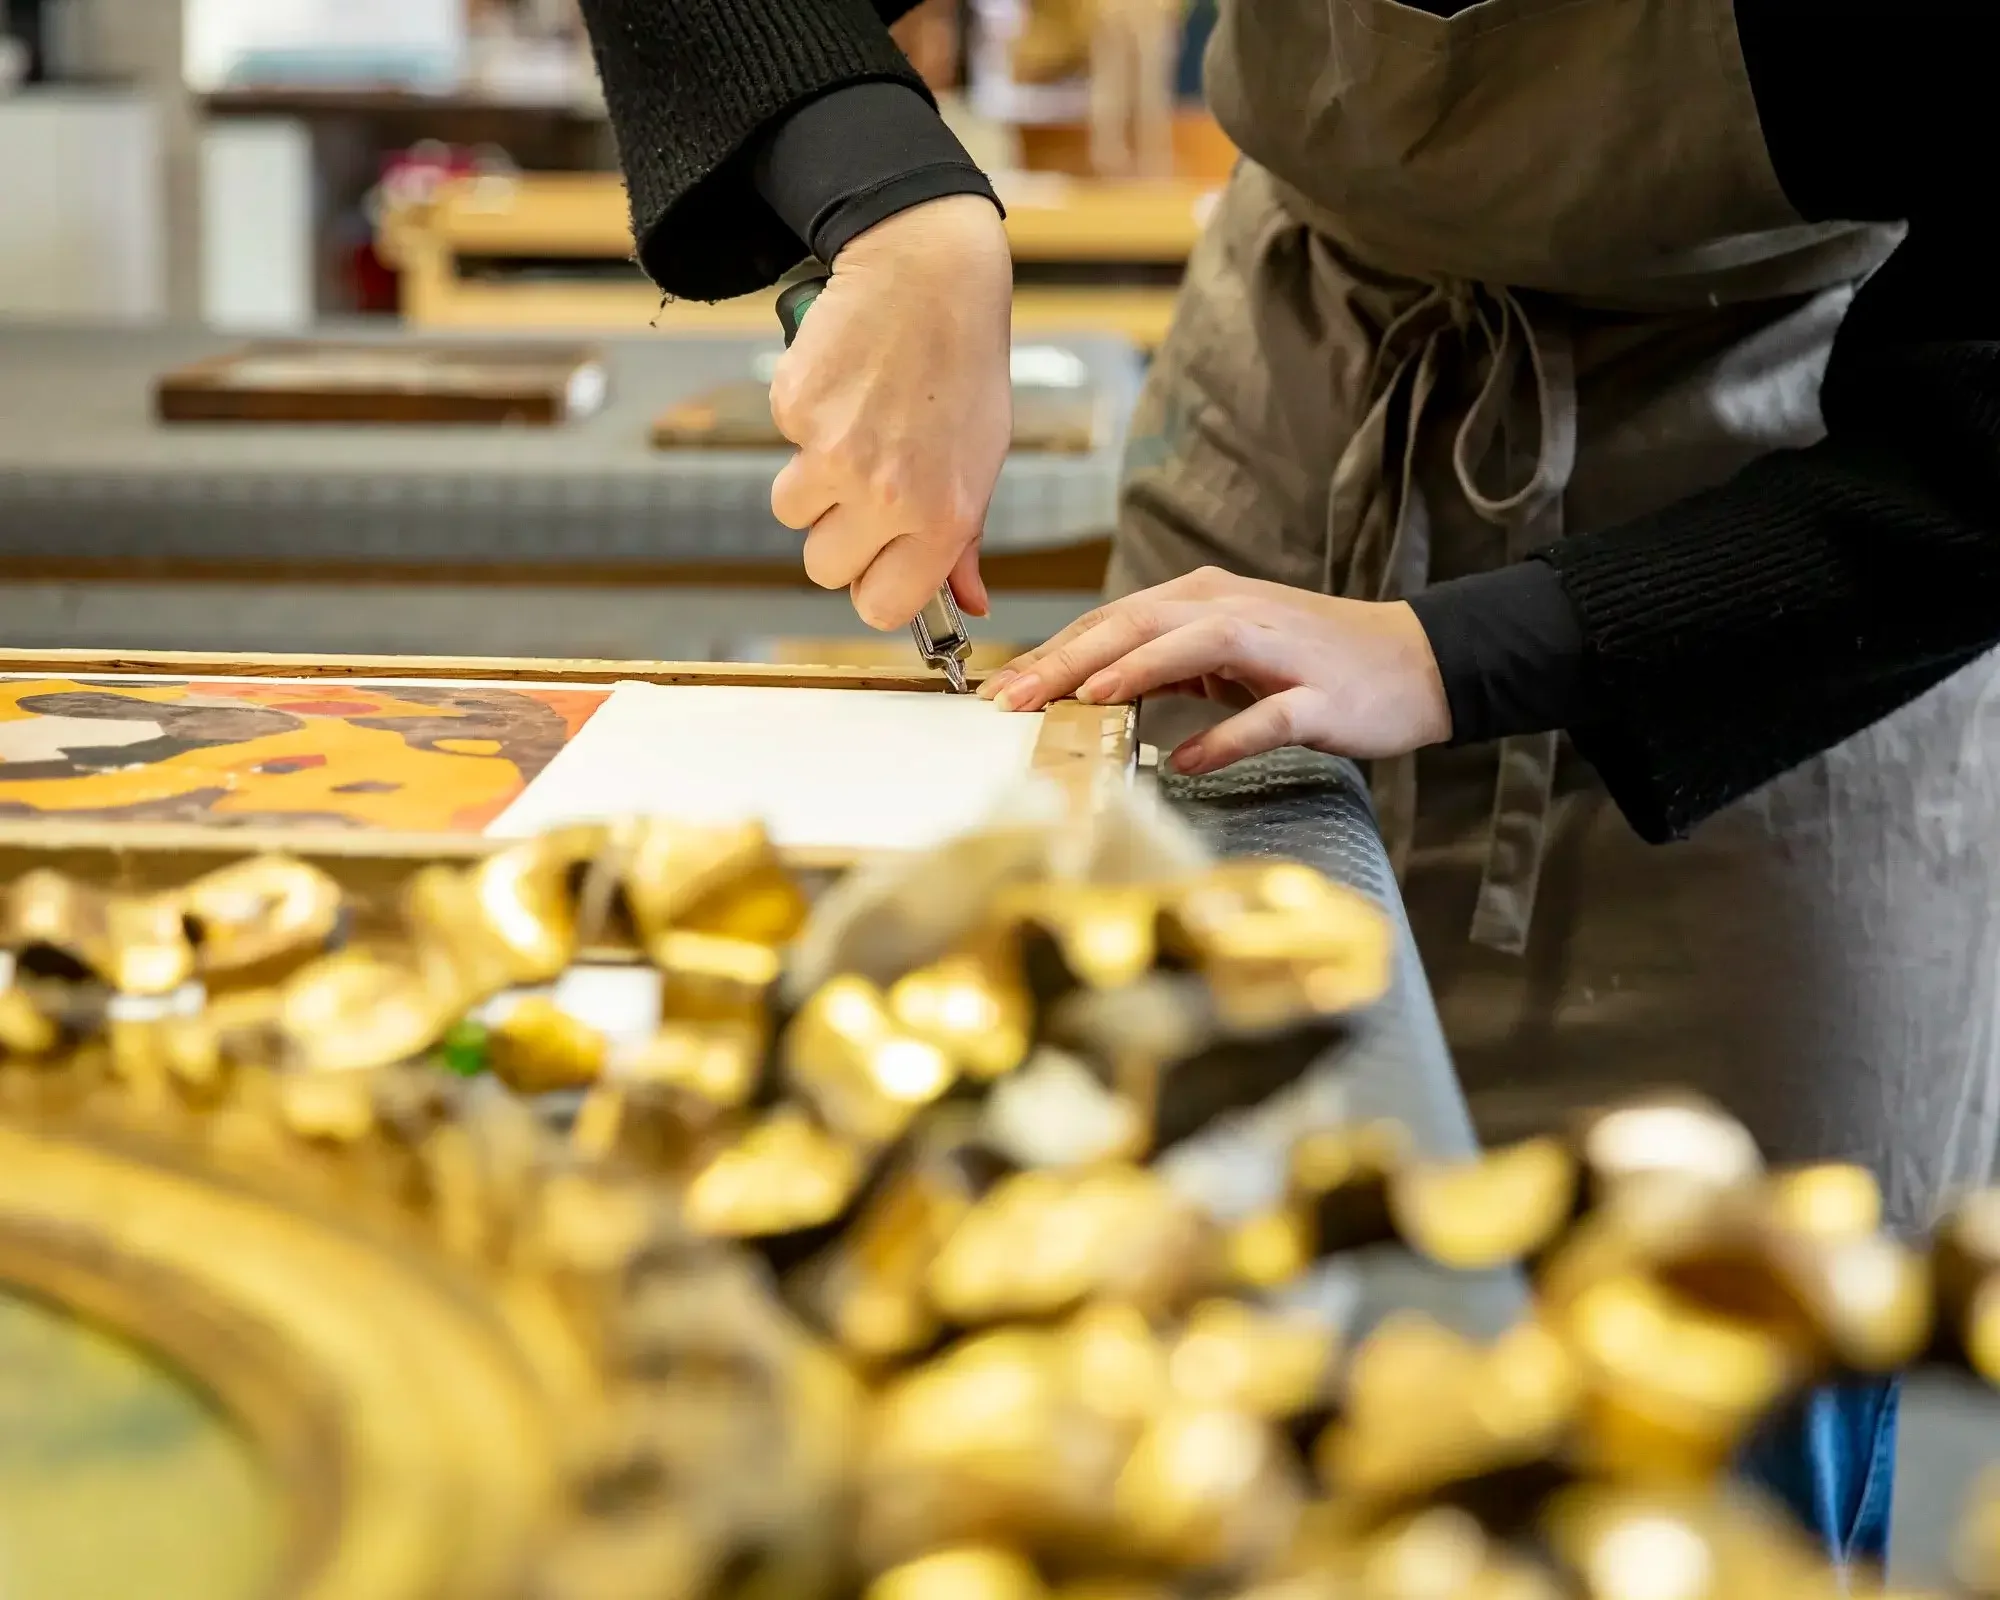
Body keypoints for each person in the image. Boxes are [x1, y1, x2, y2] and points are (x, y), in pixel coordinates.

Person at [571, 0, 2000, 1564]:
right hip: (1291, 423)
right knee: (1168, 1305)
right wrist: (885, 197)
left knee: (1692, 1378)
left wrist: (1461, 649)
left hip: (1772, 574)